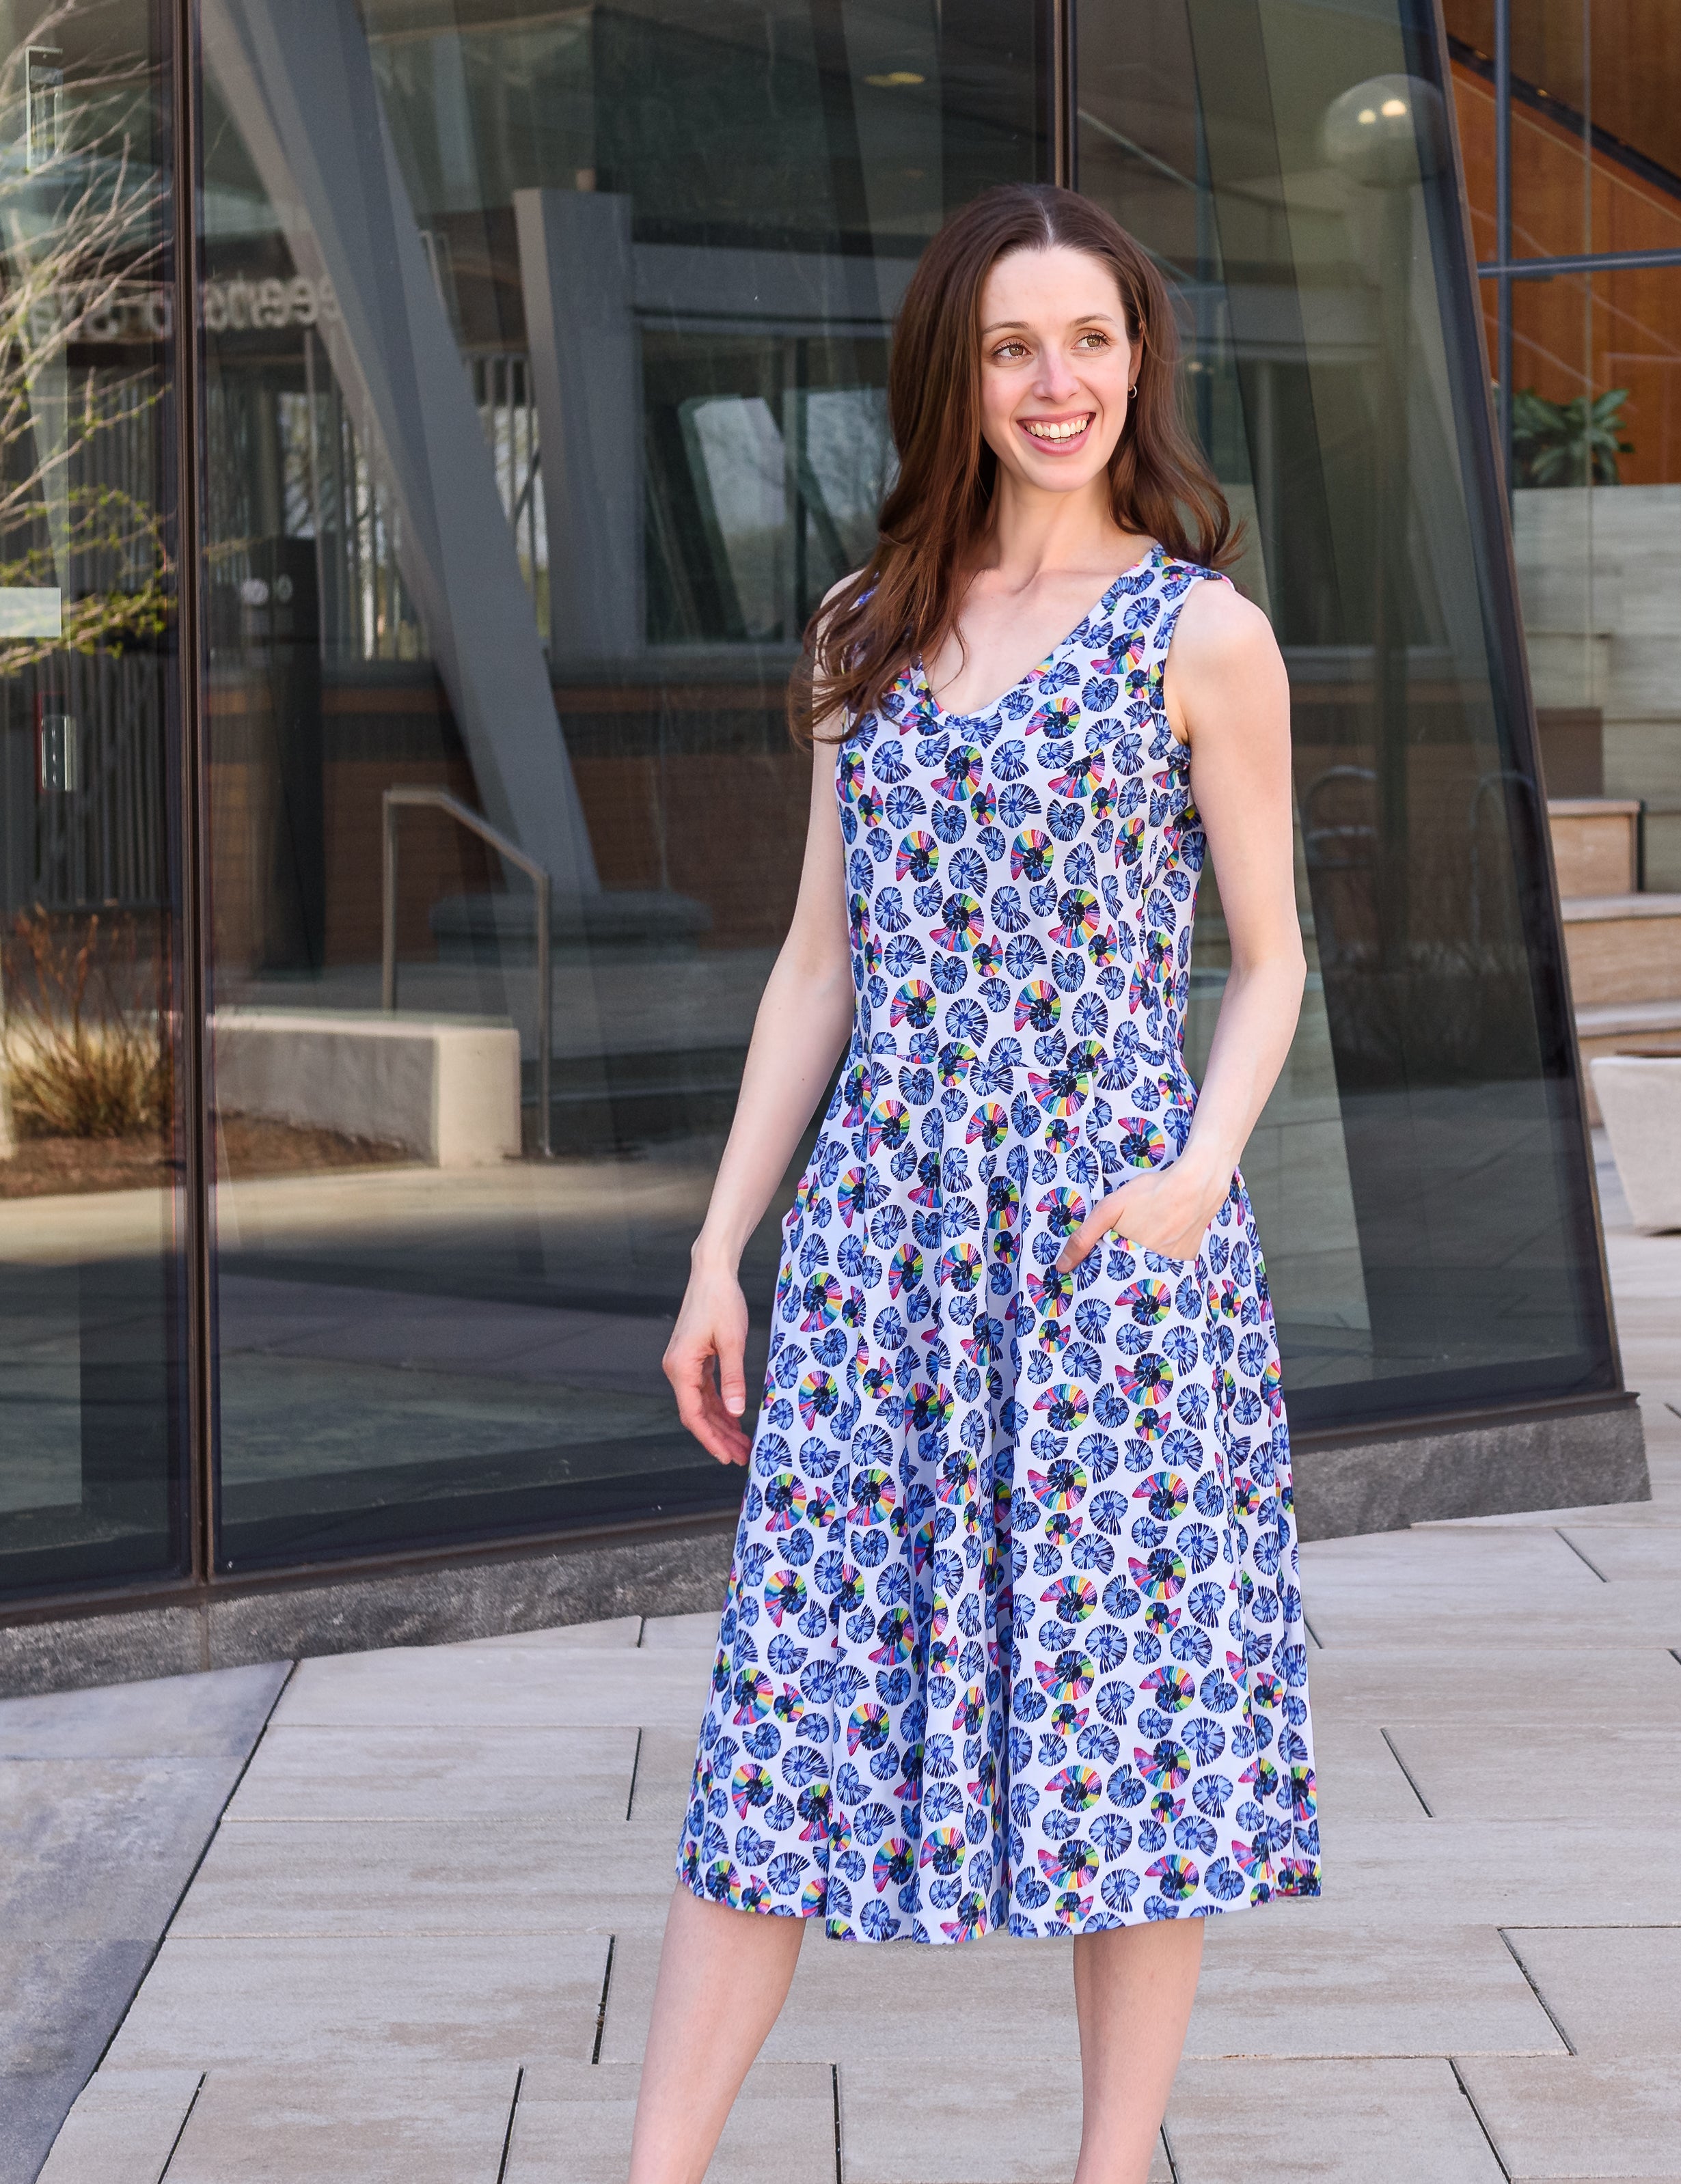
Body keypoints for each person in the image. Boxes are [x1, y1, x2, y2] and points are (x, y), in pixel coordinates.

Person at [630, 181, 1319, 2184]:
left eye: (1090, 341)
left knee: (1128, 1727)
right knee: (787, 1704)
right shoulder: (863, 630)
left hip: (1113, 1245)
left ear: (1138, 364)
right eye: (1015, 345)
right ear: (957, 370)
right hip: (878, 1253)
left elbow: (1272, 958)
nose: (1056, 382)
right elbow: (817, 962)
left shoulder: (1206, 633)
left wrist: (1197, 1174)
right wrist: (716, 1249)